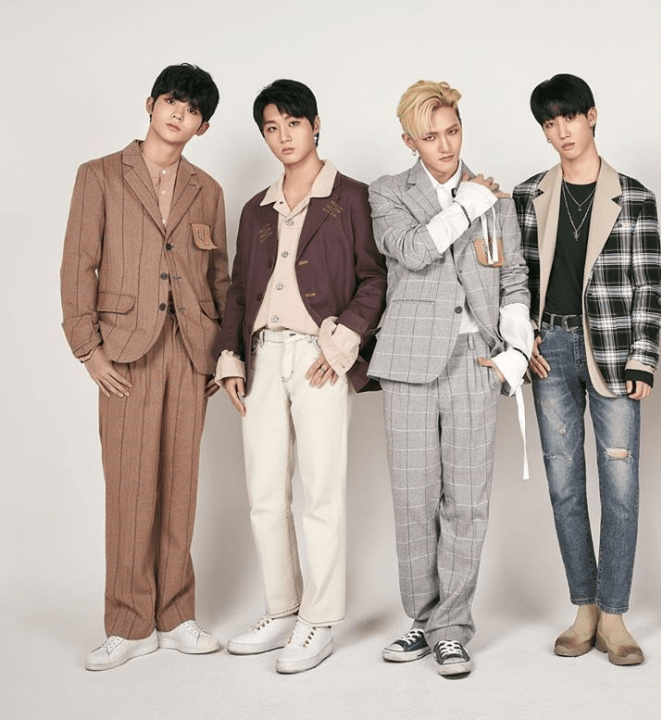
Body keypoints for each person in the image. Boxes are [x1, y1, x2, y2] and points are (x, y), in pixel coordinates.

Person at [213, 79, 386, 674]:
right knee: (264, 492)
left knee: (321, 491)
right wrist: (230, 359)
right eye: (271, 127)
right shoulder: (255, 209)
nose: (283, 136)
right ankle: (282, 608)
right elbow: (239, 290)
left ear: (315, 125)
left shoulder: (353, 197)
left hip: (320, 357)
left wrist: (342, 344)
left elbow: (375, 279)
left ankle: (320, 619)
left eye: (293, 123)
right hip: (262, 356)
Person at [60, 63, 229, 671]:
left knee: (181, 486)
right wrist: (89, 350)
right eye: (171, 101)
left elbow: (220, 277)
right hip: (125, 352)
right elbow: (78, 265)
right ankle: (129, 624)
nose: (179, 113)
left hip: (190, 352)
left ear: (202, 126)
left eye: (192, 109)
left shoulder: (208, 189)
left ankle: (176, 616)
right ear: (151, 104)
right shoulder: (100, 175)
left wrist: (219, 353)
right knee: (131, 489)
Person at [368, 79, 533, 678]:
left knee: (467, 502)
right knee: (414, 500)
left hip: (474, 362)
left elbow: (513, 279)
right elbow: (412, 250)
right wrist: (468, 203)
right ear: (409, 141)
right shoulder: (388, 192)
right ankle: (423, 619)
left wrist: (516, 351)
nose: (445, 145)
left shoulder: (499, 201)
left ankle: (452, 629)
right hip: (408, 364)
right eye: (431, 136)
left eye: (453, 131)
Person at [512, 73, 661, 666]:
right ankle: (585, 608)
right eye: (549, 123)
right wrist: (520, 340)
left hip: (615, 353)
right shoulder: (528, 195)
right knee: (564, 485)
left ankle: (615, 614)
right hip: (549, 349)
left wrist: (643, 357)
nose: (561, 132)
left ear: (591, 115)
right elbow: (515, 280)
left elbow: (649, 285)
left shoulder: (636, 197)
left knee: (620, 486)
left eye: (569, 118)